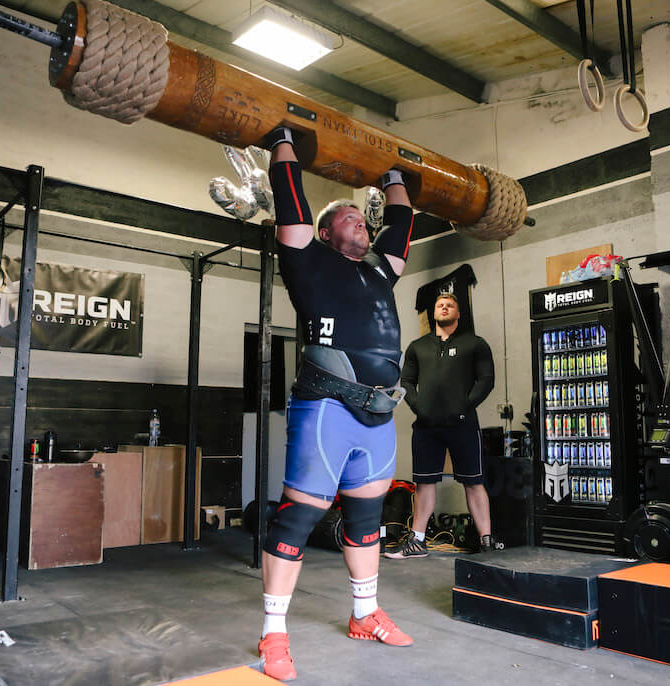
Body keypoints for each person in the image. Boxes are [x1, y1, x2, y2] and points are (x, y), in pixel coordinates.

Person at [257, 126, 415, 681]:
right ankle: (274, 634)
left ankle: (365, 614)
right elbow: (291, 199)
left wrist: (395, 177)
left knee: (368, 518)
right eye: (347, 215)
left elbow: (399, 223)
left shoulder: (379, 270)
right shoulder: (306, 258)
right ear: (324, 232)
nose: (360, 220)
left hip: (377, 413)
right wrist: (284, 143)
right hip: (326, 406)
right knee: (299, 517)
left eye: (361, 215)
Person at [386, 292, 499, 559]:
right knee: (424, 483)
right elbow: (407, 383)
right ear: (433, 313)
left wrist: (464, 407)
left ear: (458, 314)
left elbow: (486, 380)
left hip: (463, 423)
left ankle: (486, 542)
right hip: (426, 426)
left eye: (450, 305)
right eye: (440, 305)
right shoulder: (417, 346)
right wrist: (419, 409)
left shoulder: (475, 344)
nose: (445, 307)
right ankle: (417, 542)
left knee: (474, 482)